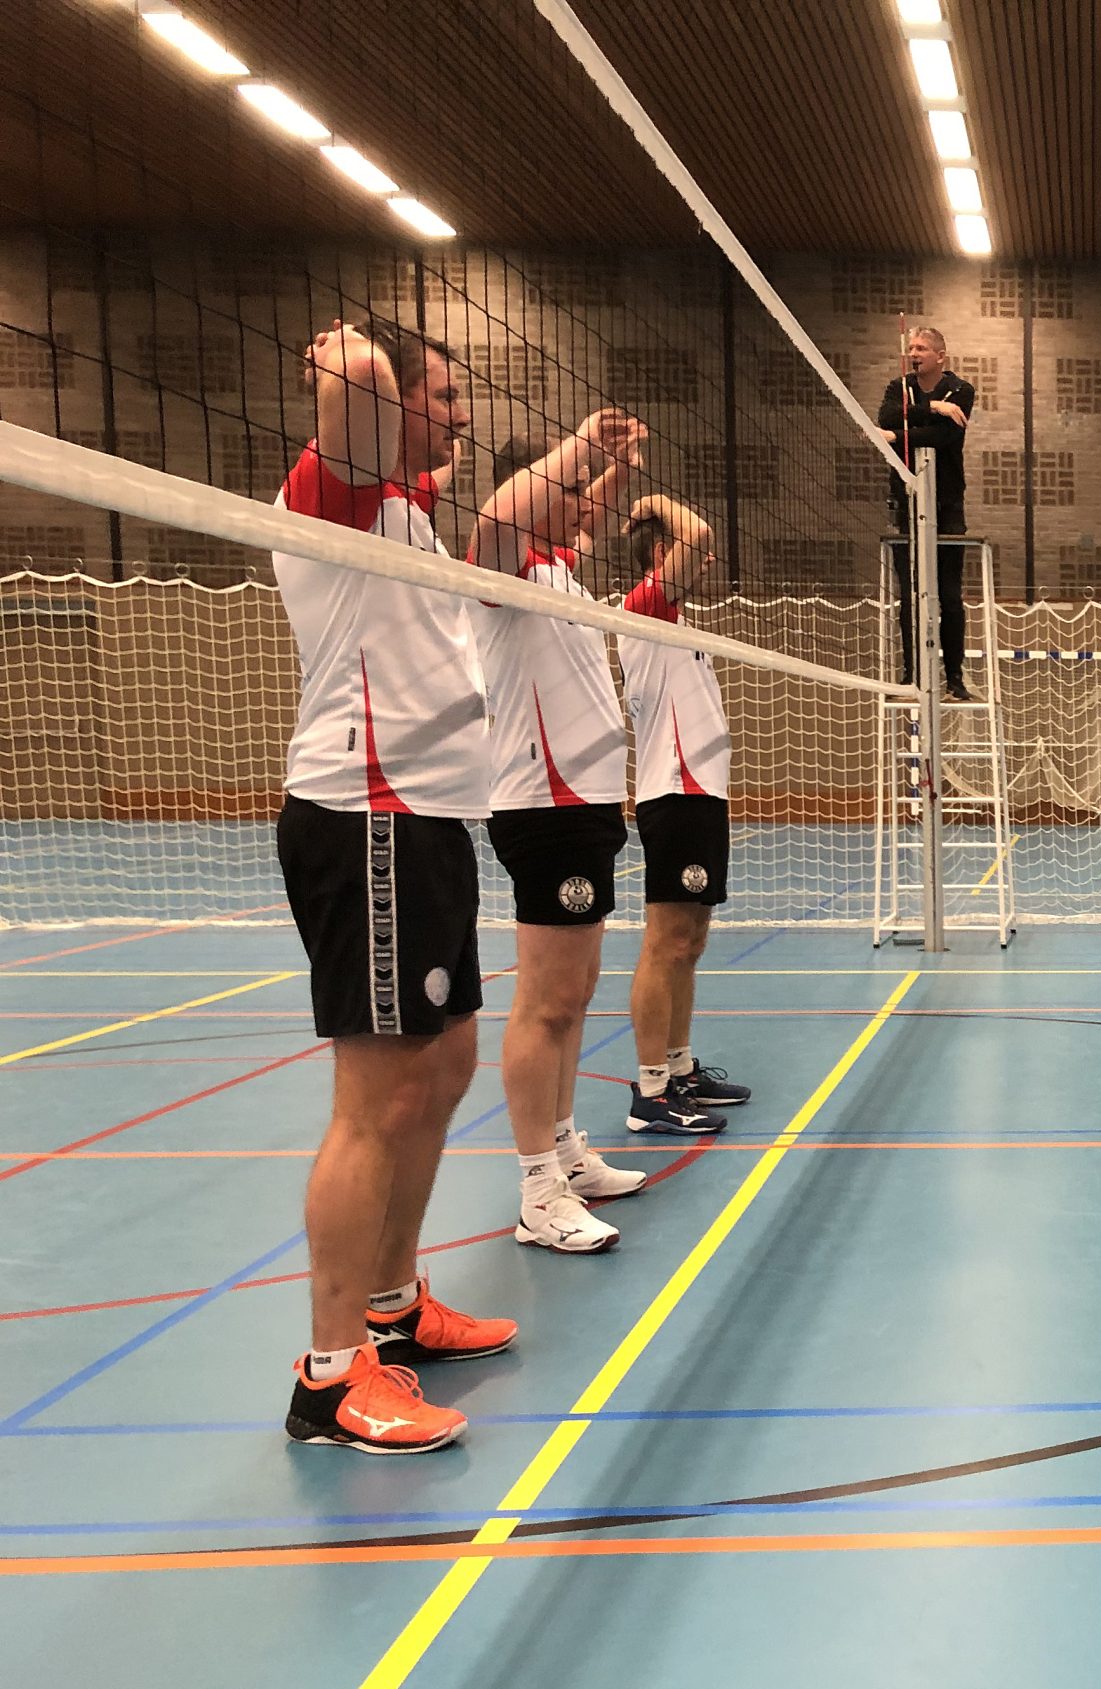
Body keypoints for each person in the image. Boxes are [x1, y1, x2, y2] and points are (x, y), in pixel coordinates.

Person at [271, 319, 517, 1455]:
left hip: (428, 821)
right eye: (445, 395)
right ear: (391, 407)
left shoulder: (408, 510)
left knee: (447, 1065)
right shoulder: (337, 497)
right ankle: (329, 1378)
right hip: (364, 819)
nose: (463, 416)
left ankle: (395, 1306)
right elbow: (355, 381)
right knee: (372, 1104)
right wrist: (354, 353)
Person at [470, 428, 654, 1252]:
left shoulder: (557, 569)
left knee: (575, 996)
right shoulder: (502, 568)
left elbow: (584, 508)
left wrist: (609, 468)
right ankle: (538, 1189)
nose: (588, 506)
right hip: (542, 807)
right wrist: (580, 445)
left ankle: (567, 1152)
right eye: (572, 491)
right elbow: (499, 515)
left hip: (586, 805)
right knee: (544, 1003)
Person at [620, 492, 754, 1135]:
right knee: (666, 943)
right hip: (674, 794)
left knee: (690, 944)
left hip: (701, 796)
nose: (705, 561)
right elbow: (698, 533)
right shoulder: (645, 609)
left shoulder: (674, 620)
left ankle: (679, 1068)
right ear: (661, 554)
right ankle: (652, 1091)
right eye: (689, 557)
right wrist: (652, 500)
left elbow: (696, 542)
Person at [876, 324, 976, 700]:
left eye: (921, 348)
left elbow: (945, 437)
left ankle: (955, 680)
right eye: (912, 348)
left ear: (939, 356)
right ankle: (912, 676)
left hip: (947, 504)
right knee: (911, 595)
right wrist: (932, 408)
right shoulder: (899, 387)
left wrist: (899, 436)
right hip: (906, 501)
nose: (914, 354)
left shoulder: (961, 390)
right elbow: (887, 415)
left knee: (948, 594)